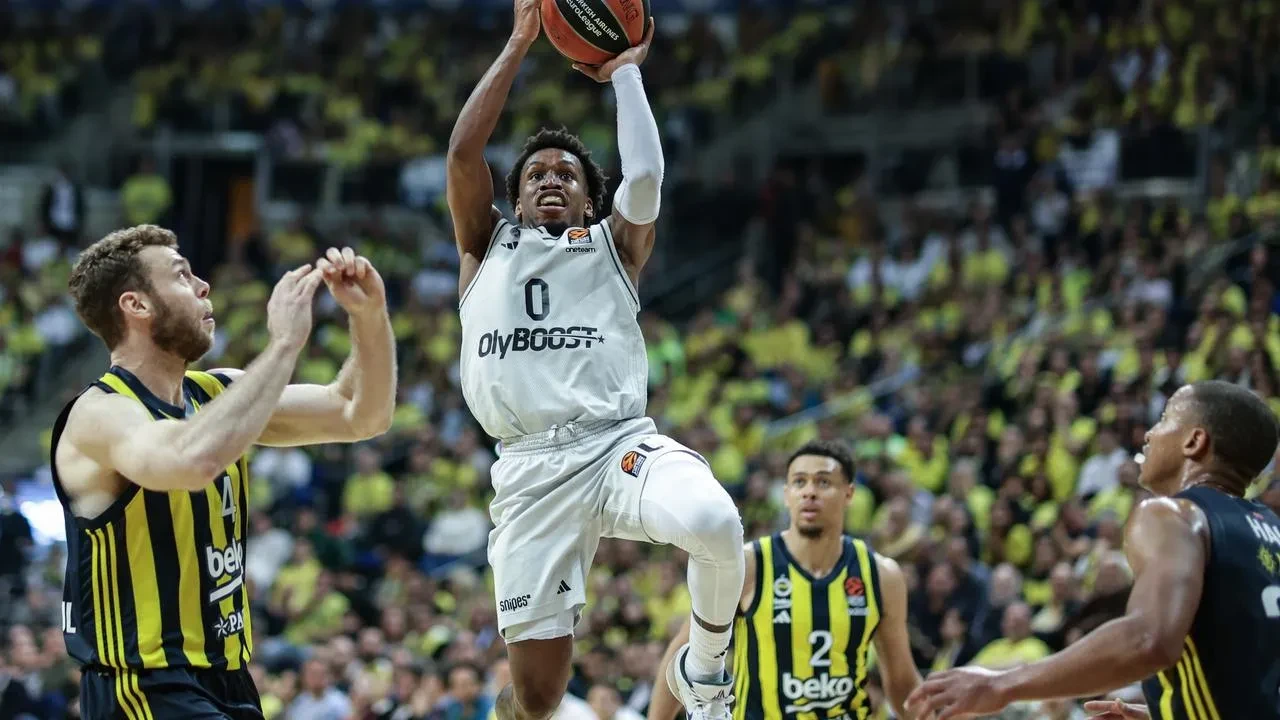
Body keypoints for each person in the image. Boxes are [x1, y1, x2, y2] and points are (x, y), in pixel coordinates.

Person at [446, 3, 744, 720]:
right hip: (529, 474)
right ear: (516, 198)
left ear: (588, 200)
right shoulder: (485, 247)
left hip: (616, 445)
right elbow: (461, 156)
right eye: (535, 174)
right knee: (538, 697)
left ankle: (705, 672)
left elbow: (645, 176)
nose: (550, 179)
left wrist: (625, 75)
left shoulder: (613, 245)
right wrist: (519, 42)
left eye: (567, 174)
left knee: (714, 520)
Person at [53, 225, 396, 719]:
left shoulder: (215, 394)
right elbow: (189, 461)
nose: (203, 286)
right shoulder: (100, 412)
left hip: (229, 678)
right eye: (182, 275)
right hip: (143, 686)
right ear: (137, 305)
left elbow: (360, 414)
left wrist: (369, 317)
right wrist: (283, 345)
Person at [906, 380, 1280, 720]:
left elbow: (1149, 640)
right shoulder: (1270, 527)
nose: (1149, 433)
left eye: (1165, 419)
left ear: (1194, 442)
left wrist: (1001, 684)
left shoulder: (1174, 514)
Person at [648, 441, 923, 720]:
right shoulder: (749, 566)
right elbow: (684, 654)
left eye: (823, 482)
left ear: (849, 494)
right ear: (786, 495)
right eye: (799, 482)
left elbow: (901, 683)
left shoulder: (881, 575)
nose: (809, 492)